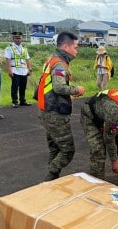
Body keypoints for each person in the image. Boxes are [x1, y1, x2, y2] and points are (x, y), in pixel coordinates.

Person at [36, 31, 85, 181]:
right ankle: (50, 175)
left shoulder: (52, 59)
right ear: (65, 46)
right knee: (67, 150)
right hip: (55, 113)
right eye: (75, 47)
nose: (77, 50)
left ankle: (52, 179)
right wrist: (77, 89)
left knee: (55, 148)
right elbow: (59, 87)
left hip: (46, 110)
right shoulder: (59, 63)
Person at [5, 31, 32, 108]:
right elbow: (8, 60)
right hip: (15, 70)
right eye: (16, 38)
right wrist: (9, 70)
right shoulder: (9, 48)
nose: (18, 40)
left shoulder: (24, 48)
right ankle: (14, 101)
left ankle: (22, 100)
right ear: (13, 39)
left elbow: (27, 59)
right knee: (15, 86)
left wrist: (30, 69)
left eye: (19, 38)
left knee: (23, 86)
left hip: (23, 70)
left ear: (22, 39)